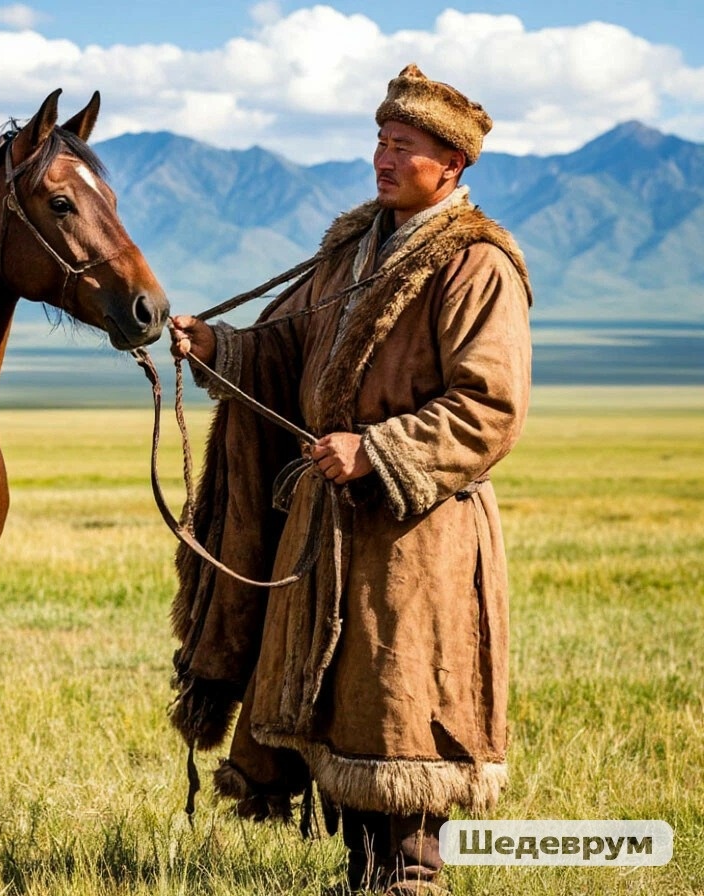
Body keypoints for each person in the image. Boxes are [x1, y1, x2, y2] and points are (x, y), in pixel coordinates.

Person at [167, 64, 532, 895]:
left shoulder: (477, 264)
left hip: (417, 531)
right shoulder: (352, 250)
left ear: (454, 165)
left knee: (405, 695)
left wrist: (377, 451)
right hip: (330, 524)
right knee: (346, 701)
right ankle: (365, 869)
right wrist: (221, 347)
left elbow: (491, 404)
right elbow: (286, 352)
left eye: (404, 146)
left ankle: (412, 875)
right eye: (379, 139)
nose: (383, 156)